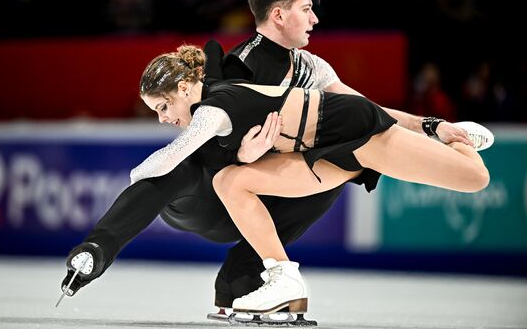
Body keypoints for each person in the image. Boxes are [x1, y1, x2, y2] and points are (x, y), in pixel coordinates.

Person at [60, 0, 482, 311]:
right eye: (306, 9)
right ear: (278, 15)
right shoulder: (239, 67)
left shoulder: (312, 66)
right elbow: (206, 145)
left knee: (472, 178)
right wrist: (241, 153)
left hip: (339, 139)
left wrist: (433, 126)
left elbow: (368, 109)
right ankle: (263, 278)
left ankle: (254, 280)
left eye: (163, 109)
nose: (315, 18)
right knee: (218, 176)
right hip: (270, 169)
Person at [133, 43, 491, 314]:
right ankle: (284, 278)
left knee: (475, 177)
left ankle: (455, 137)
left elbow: (172, 156)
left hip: (353, 130)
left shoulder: (211, 109)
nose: (163, 119)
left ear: (182, 88)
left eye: (162, 107)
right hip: (321, 152)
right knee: (229, 181)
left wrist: (133, 179)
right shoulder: (211, 99)